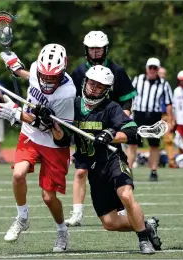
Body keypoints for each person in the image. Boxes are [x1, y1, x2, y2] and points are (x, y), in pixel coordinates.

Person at [40, 65, 162, 254]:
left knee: (126, 195)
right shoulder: (72, 105)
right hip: (94, 169)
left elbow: (131, 132)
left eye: (99, 86)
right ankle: (146, 226)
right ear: (85, 82)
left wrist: (110, 135)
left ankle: (143, 239)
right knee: (110, 223)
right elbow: (63, 139)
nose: (93, 88)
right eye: (91, 83)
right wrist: (52, 125)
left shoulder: (111, 108)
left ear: (106, 89)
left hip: (112, 161)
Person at [0, 43, 76, 252]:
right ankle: (22, 217)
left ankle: (62, 230)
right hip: (30, 135)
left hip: (54, 143)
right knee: (18, 175)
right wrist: (14, 65)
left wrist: (17, 114)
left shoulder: (67, 93)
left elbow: (54, 131)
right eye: (44, 75)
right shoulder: (38, 69)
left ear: (62, 72)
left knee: (48, 197)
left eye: (52, 77)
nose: (46, 80)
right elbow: (30, 76)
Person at [66, 30, 136, 226]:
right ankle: (77, 213)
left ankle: (119, 200)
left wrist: (119, 126)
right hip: (86, 126)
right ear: (86, 50)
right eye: (92, 49)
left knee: (111, 166)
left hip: (110, 129)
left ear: (105, 50)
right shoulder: (79, 72)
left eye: (99, 49)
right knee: (80, 170)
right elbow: (68, 96)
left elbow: (126, 101)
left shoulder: (117, 71)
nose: (95, 53)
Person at [128, 58, 174, 181]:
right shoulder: (138, 80)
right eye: (151, 68)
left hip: (154, 115)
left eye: (155, 68)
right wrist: (127, 113)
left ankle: (153, 171)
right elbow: (129, 96)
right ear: (147, 68)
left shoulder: (164, 84)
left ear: (158, 70)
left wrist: (170, 120)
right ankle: (128, 170)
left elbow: (169, 103)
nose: (152, 70)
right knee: (132, 144)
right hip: (138, 114)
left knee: (154, 145)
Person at [158, 67, 178, 168]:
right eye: (160, 73)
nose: (161, 76)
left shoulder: (166, 86)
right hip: (153, 115)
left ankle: (171, 161)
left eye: (163, 74)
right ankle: (156, 161)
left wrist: (172, 118)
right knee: (153, 139)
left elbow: (170, 104)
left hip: (165, 115)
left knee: (168, 139)